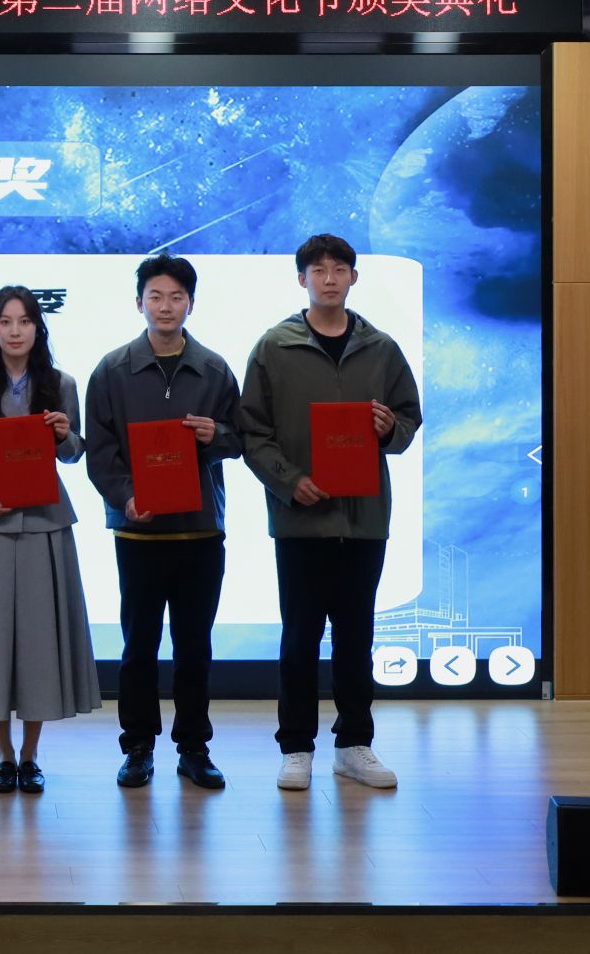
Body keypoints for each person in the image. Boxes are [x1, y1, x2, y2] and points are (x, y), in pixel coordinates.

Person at [237, 234, 422, 792]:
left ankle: (353, 745)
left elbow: (408, 418)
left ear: (354, 278)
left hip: (364, 518)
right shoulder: (275, 346)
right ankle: (296, 748)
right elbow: (252, 431)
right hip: (301, 518)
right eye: (318, 270)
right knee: (299, 638)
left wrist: (390, 429)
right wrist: (290, 482)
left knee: (356, 637)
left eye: (340, 269)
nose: (329, 278)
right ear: (302, 280)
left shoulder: (381, 348)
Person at [84, 252, 242, 791]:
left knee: (195, 645)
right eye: (156, 296)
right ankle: (137, 747)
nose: (166, 306)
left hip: (201, 530)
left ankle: (194, 747)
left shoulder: (214, 369)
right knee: (139, 646)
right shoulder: (112, 369)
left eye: (176, 297)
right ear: (139, 303)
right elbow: (100, 451)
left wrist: (215, 436)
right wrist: (126, 498)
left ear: (191, 304)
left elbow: (240, 438)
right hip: (139, 530)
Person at [0, 286, 101, 794]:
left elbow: (74, 453)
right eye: (5, 322)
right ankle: (3, 755)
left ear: (37, 328)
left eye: (24, 321)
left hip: (45, 524)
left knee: (38, 642)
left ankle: (30, 756)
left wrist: (64, 434)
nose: (14, 331)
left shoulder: (60, 383)